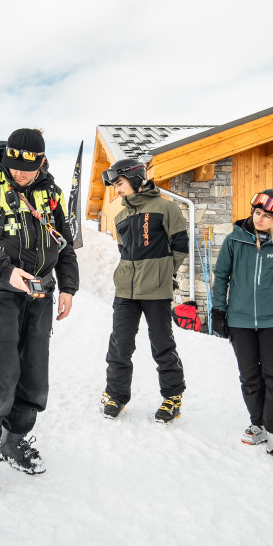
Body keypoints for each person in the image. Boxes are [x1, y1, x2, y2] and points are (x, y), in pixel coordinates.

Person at [0, 128, 79, 495]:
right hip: (2, 294)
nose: (19, 174)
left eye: (27, 168)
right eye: (13, 166)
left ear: (41, 162)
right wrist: (7, 271)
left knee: (34, 375)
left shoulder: (52, 194)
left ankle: (13, 440)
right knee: (2, 371)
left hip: (41, 296)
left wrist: (69, 287)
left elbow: (66, 245)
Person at [209, 190, 273, 455]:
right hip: (239, 320)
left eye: (267, 215)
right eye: (257, 213)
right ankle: (258, 425)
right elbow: (221, 278)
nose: (260, 219)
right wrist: (219, 311)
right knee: (250, 376)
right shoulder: (233, 241)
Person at [100, 158, 190, 423]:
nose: (117, 189)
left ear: (136, 178)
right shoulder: (121, 216)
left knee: (162, 344)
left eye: (120, 183)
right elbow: (124, 252)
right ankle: (116, 394)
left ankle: (172, 397)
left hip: (156, 290)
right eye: (114, 185)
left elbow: (181, 246)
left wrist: (164, 274)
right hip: (125, 290)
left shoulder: (166, 208)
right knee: (120, 343)